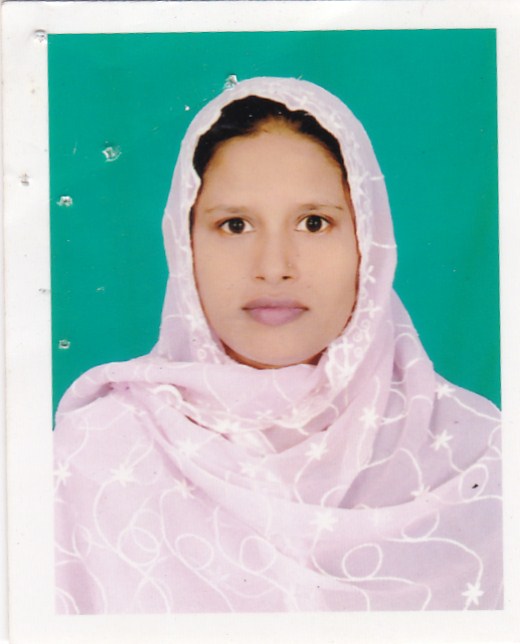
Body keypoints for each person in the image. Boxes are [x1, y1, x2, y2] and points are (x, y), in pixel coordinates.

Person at [54, 77, 502, 613]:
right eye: (234, 225)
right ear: (185, 243)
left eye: (314, 223)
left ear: (368, 243)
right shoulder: (95, 456)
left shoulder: (484, 456)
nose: (273, 267)